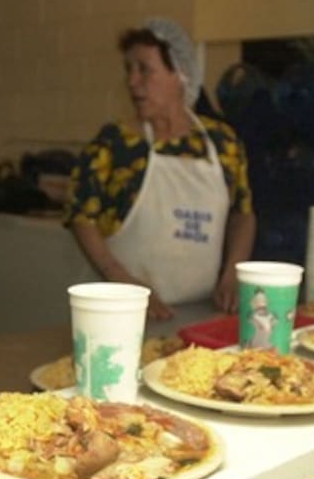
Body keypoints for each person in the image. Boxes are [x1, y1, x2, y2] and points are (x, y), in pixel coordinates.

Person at [64, 18, 256, 320]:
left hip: (202, 311)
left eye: (144, 69)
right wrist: (122, 281)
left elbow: (243, 214)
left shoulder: (223, 143)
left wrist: (233, 273)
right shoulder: (116, 144)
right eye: (129, 69)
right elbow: (80, 217)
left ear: (180, 74)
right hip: (124, 311)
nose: (132, 81)